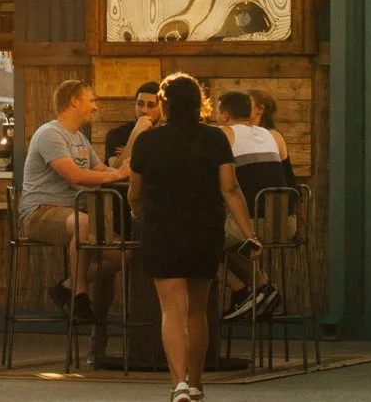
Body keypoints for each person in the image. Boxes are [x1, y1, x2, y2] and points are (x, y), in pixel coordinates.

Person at [125, 74, 257, 402]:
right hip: (204, 230)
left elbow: (134, 193)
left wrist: (137, 213)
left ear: (164, 104)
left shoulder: (147, 142)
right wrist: (249, 233)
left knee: (171, 310)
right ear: (201, 103)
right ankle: (196, 383)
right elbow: (230, 189)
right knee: (198, 311)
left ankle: (178, 385)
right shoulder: (215, 139)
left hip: (162, 229)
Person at [16, 78, 127, 321]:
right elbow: (74, 175)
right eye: (91, 100)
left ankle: (65, 287)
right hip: (40, 212)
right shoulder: (50, 133)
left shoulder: (79, 138)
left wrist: (127, 168)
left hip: (73, 212)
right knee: (85, 224)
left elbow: (100, 172)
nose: (95, 106)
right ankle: (79, 295)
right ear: (74, 101)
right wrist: (118, 174)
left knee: (124, 253)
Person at [215, 90, 294, 320]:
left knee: (204, 235)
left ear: (225, 114)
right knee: (221, 236)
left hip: (251, 227)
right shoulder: (270, 134)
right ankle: (261, 290)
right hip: (286, 225)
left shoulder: (224, 134)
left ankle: (245, 290)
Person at [103, 80, 161, 165]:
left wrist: (130, 153)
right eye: (140, 104)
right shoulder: (117, 134)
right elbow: (115, 170)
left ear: (161, 108)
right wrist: (136, 133)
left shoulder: (167, 136)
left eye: (151, 105)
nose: (144, 110)